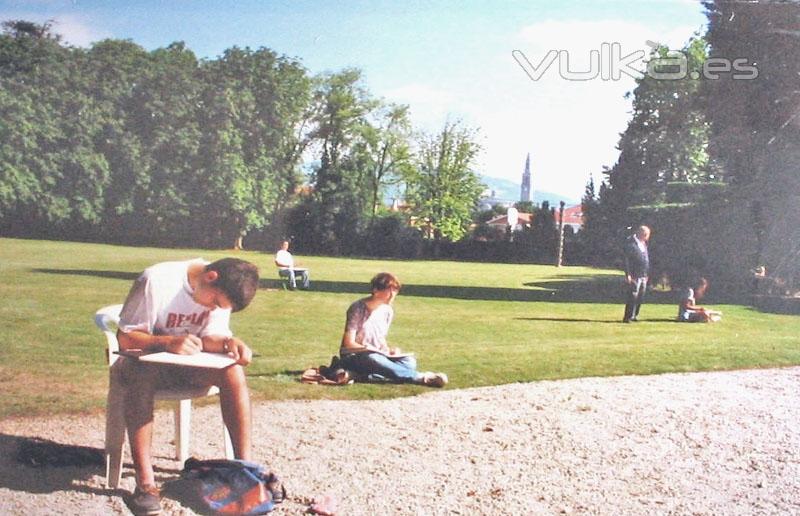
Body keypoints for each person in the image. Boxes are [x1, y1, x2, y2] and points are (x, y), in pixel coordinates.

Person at [113, 258, 259, 515]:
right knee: (141, 372)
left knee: (233, 371)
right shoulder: (157, 280)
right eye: (215, 302)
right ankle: (145, 484)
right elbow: (125, 339)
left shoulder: (221, 288)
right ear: (210, 276)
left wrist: (229, 343)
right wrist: (168, 342)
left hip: (186, 367)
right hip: (142, 364)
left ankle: (243, 472)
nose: (214, 308)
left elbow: (209, 338)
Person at [338, 272, 448, 387]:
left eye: (395, 290)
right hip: (356, 355)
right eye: (389, 290)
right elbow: (348, 344)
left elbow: (380, 338)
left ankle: (359, 376)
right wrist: (368, 348)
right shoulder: (357, 308)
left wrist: (389, 350)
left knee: (409, 362)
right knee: (373, 359)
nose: (392, 295)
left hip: (378, 354)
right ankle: (421, 377)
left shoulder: (387, 311)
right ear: (376, 290)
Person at [622, 225, 651, 323]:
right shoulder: (631, 244)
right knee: (632, 295)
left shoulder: (643, 244)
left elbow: (645, 260)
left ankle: (635, 315)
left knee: (640, 296)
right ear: (642, 234)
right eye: (647, 235)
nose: (648, 237)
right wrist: (628, 274)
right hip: (634, 274)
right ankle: (628, 316)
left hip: (643, 275)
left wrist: (646, 274)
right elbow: (626, 260)